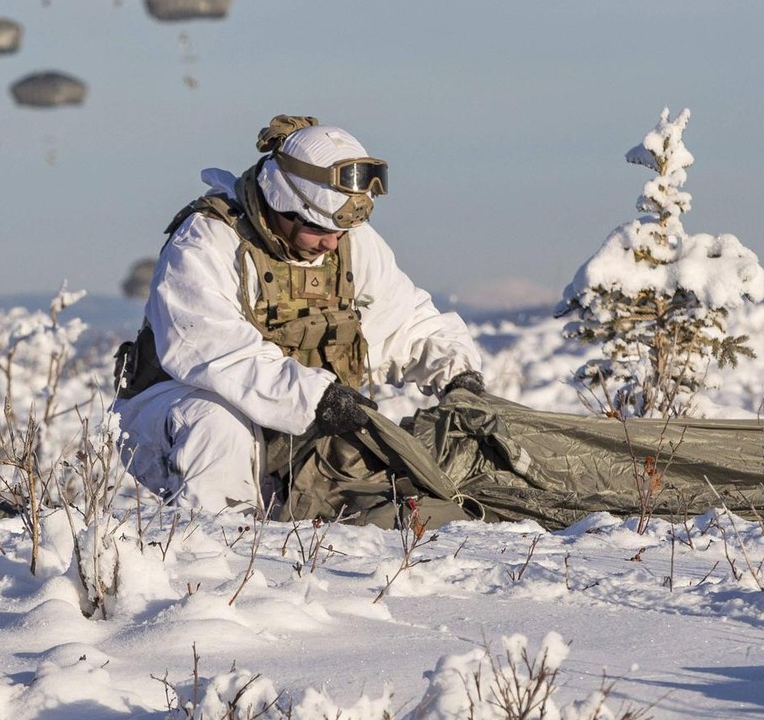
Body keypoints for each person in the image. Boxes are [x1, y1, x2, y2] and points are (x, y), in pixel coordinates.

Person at [112, 114, 486, 515]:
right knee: (218, 426)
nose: (331, 243)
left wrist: (456, 373)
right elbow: (212, 350)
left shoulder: (347, 240)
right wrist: (316, 397)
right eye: (317, 229)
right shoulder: (206, 241)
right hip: (177, 410)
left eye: (339, 232)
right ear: (281, 204)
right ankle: (212, 559)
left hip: (302, 418)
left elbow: (405, 320)